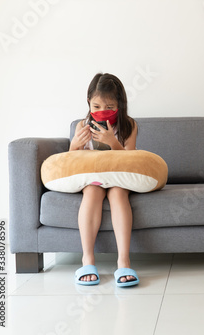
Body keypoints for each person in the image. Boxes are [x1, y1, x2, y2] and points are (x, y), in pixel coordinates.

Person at [70, 73, 140, 287]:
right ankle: (87, 259)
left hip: (119, 177)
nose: (102, 111)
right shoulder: (83, 125)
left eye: (109, 106)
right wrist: (75, 144)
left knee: (118, 193)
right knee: (91, 191)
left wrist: (113, 142)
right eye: (97, 106)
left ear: (120, 105)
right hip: (94, 177)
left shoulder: (128, 125)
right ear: (89, 103)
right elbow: (72, 161)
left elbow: (130, 160)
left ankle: (123, 261)